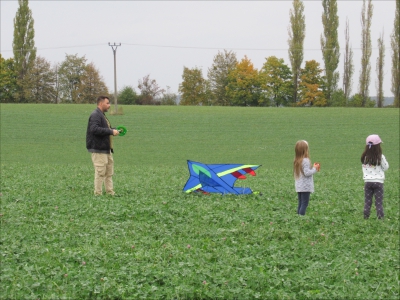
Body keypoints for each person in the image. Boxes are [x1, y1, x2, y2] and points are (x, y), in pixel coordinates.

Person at [86, 96, 119, 196]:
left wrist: (115, 130)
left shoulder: (102, 115)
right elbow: (94, 129)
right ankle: (98, 194)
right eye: (107, 103)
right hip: (99, 149)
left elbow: (104, 129)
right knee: (100, 173)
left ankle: (110, 193)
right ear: (101, 103)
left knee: (109, 173)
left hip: (106, 149)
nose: (109, 106)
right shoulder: (95, 115)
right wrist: (110, 131)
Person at [361, 134, 389, 219]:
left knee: (367, 202)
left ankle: (366, 217)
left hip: (368, 182)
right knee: (378, 202)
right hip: (378, 183)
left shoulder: (364, 157)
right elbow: (386, 167)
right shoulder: (380, 157)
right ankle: (380, 218)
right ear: (378, 146)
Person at [293, 140, 320, 215]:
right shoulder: (306, 160)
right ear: (305, 150)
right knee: (304, 204)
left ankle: (298, 217)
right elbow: (307, 173)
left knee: (300, 203)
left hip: (299, 185)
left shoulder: (297, 160)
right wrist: (315, 168)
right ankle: (301, 218)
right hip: (305, 186)